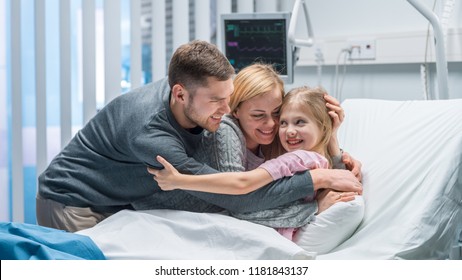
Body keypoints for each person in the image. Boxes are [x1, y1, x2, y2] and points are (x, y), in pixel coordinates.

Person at [37, 41, 360, 233]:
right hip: (76, 202)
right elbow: (239, 197)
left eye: (229, 97)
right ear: (180, 94)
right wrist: (315, 186)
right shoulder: (151, 136)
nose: (227, 109)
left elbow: (285, 147)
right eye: (217, 101)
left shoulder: (196, 95)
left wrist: (333, 145)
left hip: (123, 199)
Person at [148, 63, 362, 231]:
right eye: (258, 115)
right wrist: (313, 209)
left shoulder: (276, 132)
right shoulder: (226, 131)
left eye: (277, 114)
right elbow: (240, 205)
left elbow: (331, 172)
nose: (271, 124)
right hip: (170, 209)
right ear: (235, 110)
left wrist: (333, 139)